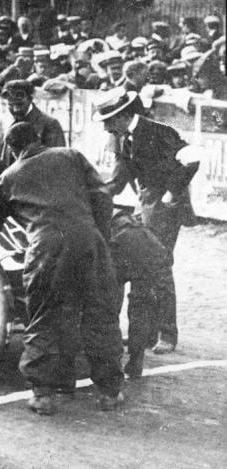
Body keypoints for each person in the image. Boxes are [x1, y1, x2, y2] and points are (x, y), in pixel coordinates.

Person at [0, 122, 124, 415]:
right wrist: (97, 234)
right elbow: (103, 196)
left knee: (46, 319)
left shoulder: (8, 177)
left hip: (47, 249)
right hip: (89, 240)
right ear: (38, 137)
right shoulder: (71, 155)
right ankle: (109, 393)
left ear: (11, 148)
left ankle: (44, 395)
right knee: (100, 316)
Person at [95, 88, 199, 355]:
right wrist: (95, 195)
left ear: (123, 116)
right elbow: (118, 179)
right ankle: (146, 332)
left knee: (159, 267)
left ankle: (168, 334)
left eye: (109, 120)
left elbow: (193, 158)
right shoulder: (121, 139)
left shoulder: (158, 131)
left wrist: (171, 192)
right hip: (145, 203)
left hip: (165, 205)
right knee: (142, 263)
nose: (106, 127)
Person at [109, 210, 175, 378]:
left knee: (108, 306)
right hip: (152, 248)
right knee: (141, 307)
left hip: (123, 244)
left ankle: (112, 359)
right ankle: (135, 361)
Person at [0, 80, 65, 166]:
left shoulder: (50, 124)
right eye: (10, 105)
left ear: (30, 99)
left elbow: (57, 161)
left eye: (19, 104)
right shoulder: (2, 122)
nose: (15, 109)